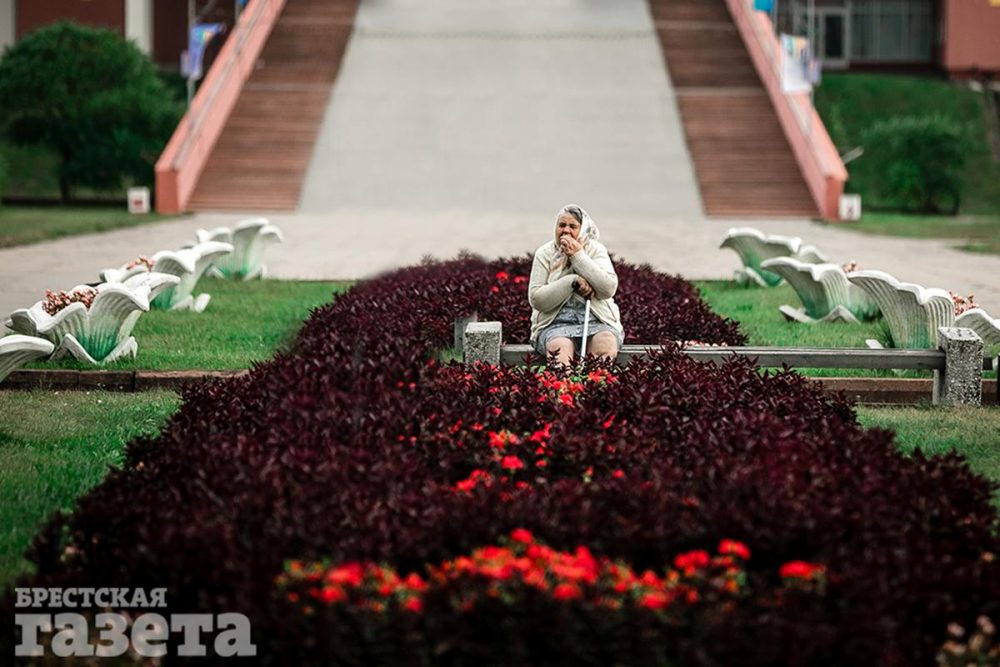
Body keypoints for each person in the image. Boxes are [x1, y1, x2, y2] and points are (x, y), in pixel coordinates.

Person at [528, 204, 624, 366]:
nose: (566, 231)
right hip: (555, 325)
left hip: (597, 321)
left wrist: (578, 256)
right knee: (560, 351)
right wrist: (572, 282)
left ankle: (597, 381)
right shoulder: (544, 253)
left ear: (583, 229)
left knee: (605, 343)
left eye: (572, 226)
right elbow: (537, 300)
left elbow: (608, 289)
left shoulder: (596, 250)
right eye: (562, 225)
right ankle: (566, 382)